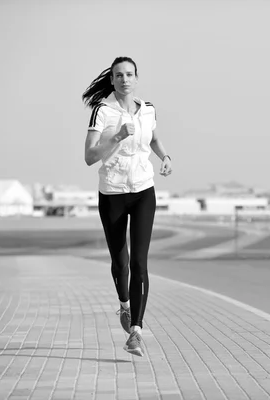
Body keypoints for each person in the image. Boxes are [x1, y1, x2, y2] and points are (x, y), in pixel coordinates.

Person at [82, 56, 172, 357]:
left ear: (136, 78)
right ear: (112, 80)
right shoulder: (102, 111)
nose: (124, 79)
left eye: (129, 74)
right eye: (118, 75)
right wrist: (117, 137)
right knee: (120, 261)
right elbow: (90, 156)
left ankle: (136, 331)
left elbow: (155, 139)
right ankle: (124, 305)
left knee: (140, 263)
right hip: (112, 192)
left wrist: (165, 157)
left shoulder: (148, 110)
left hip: (144, 190)